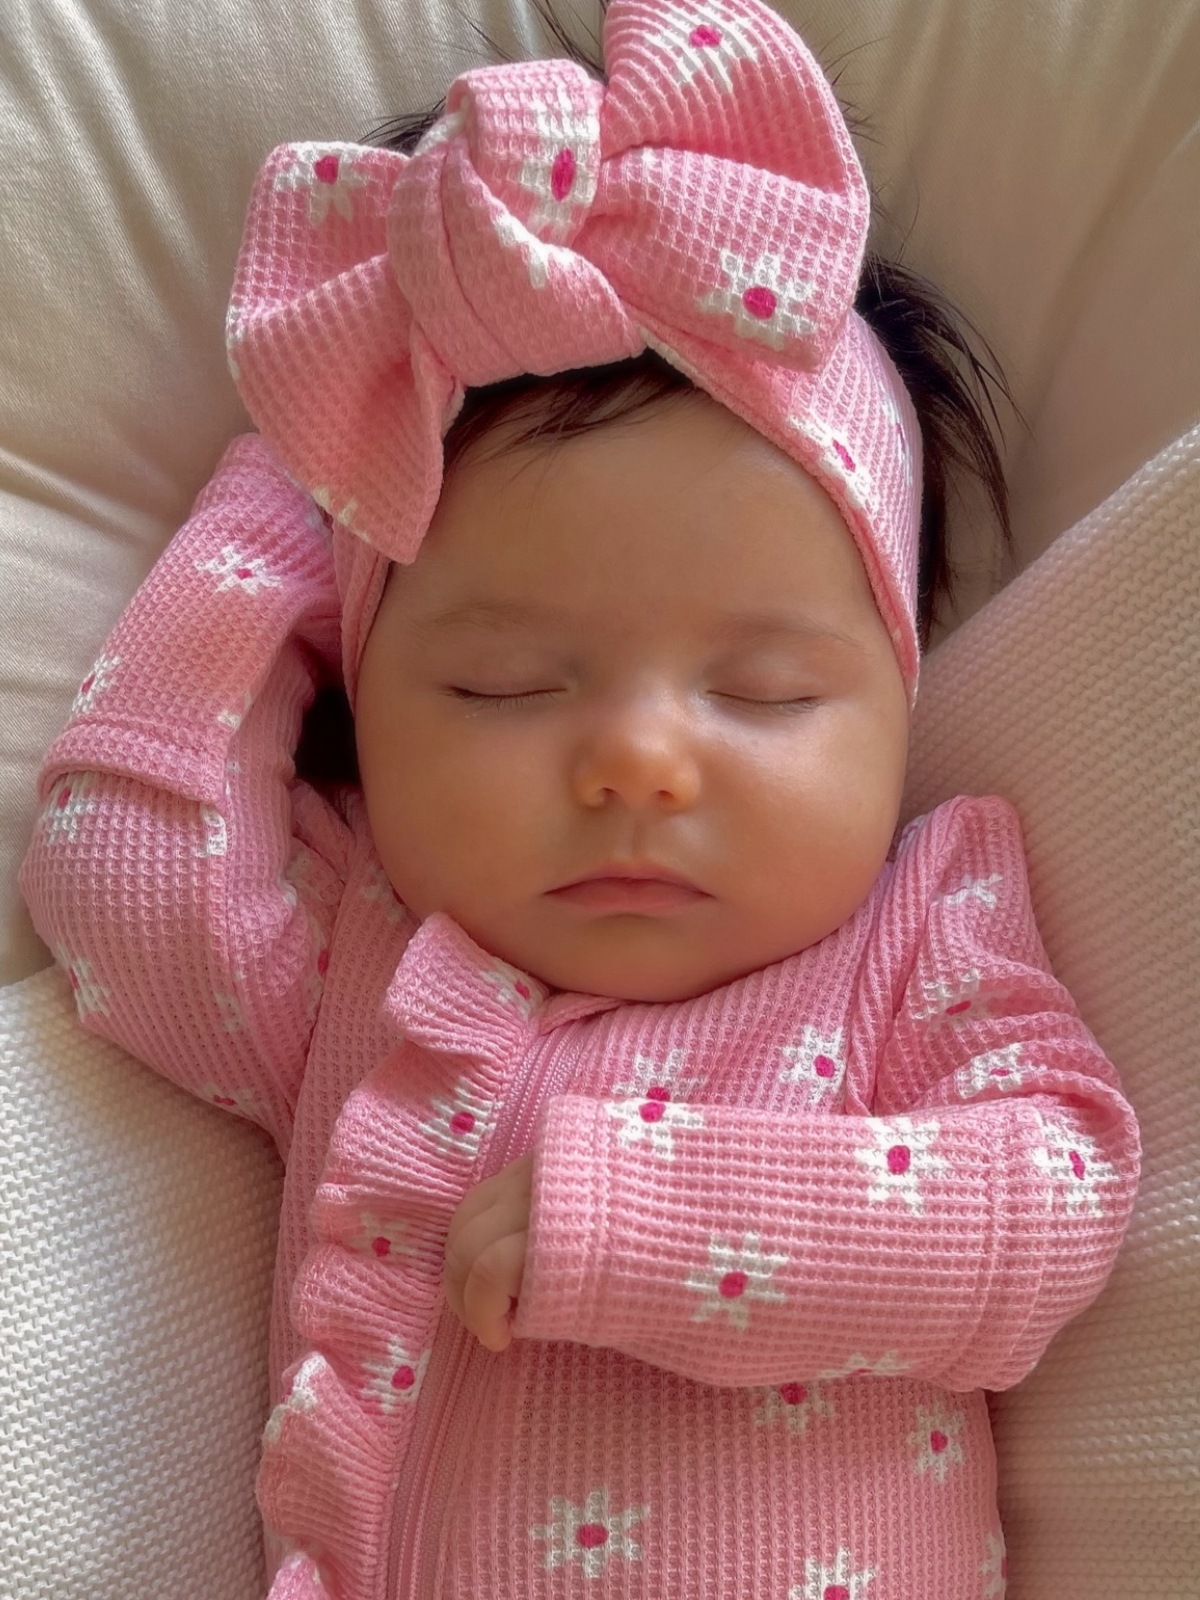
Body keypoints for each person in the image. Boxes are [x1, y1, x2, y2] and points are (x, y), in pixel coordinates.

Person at [20, 1, 1140, 1595]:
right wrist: (309, 479)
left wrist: (666, 1223)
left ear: (901, 702)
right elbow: (119, 877)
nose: (636, 762)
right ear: (359, 681)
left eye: (762, 692)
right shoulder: (360, 955)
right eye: (502, 686)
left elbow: (1053, 1207)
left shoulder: (917, 925)